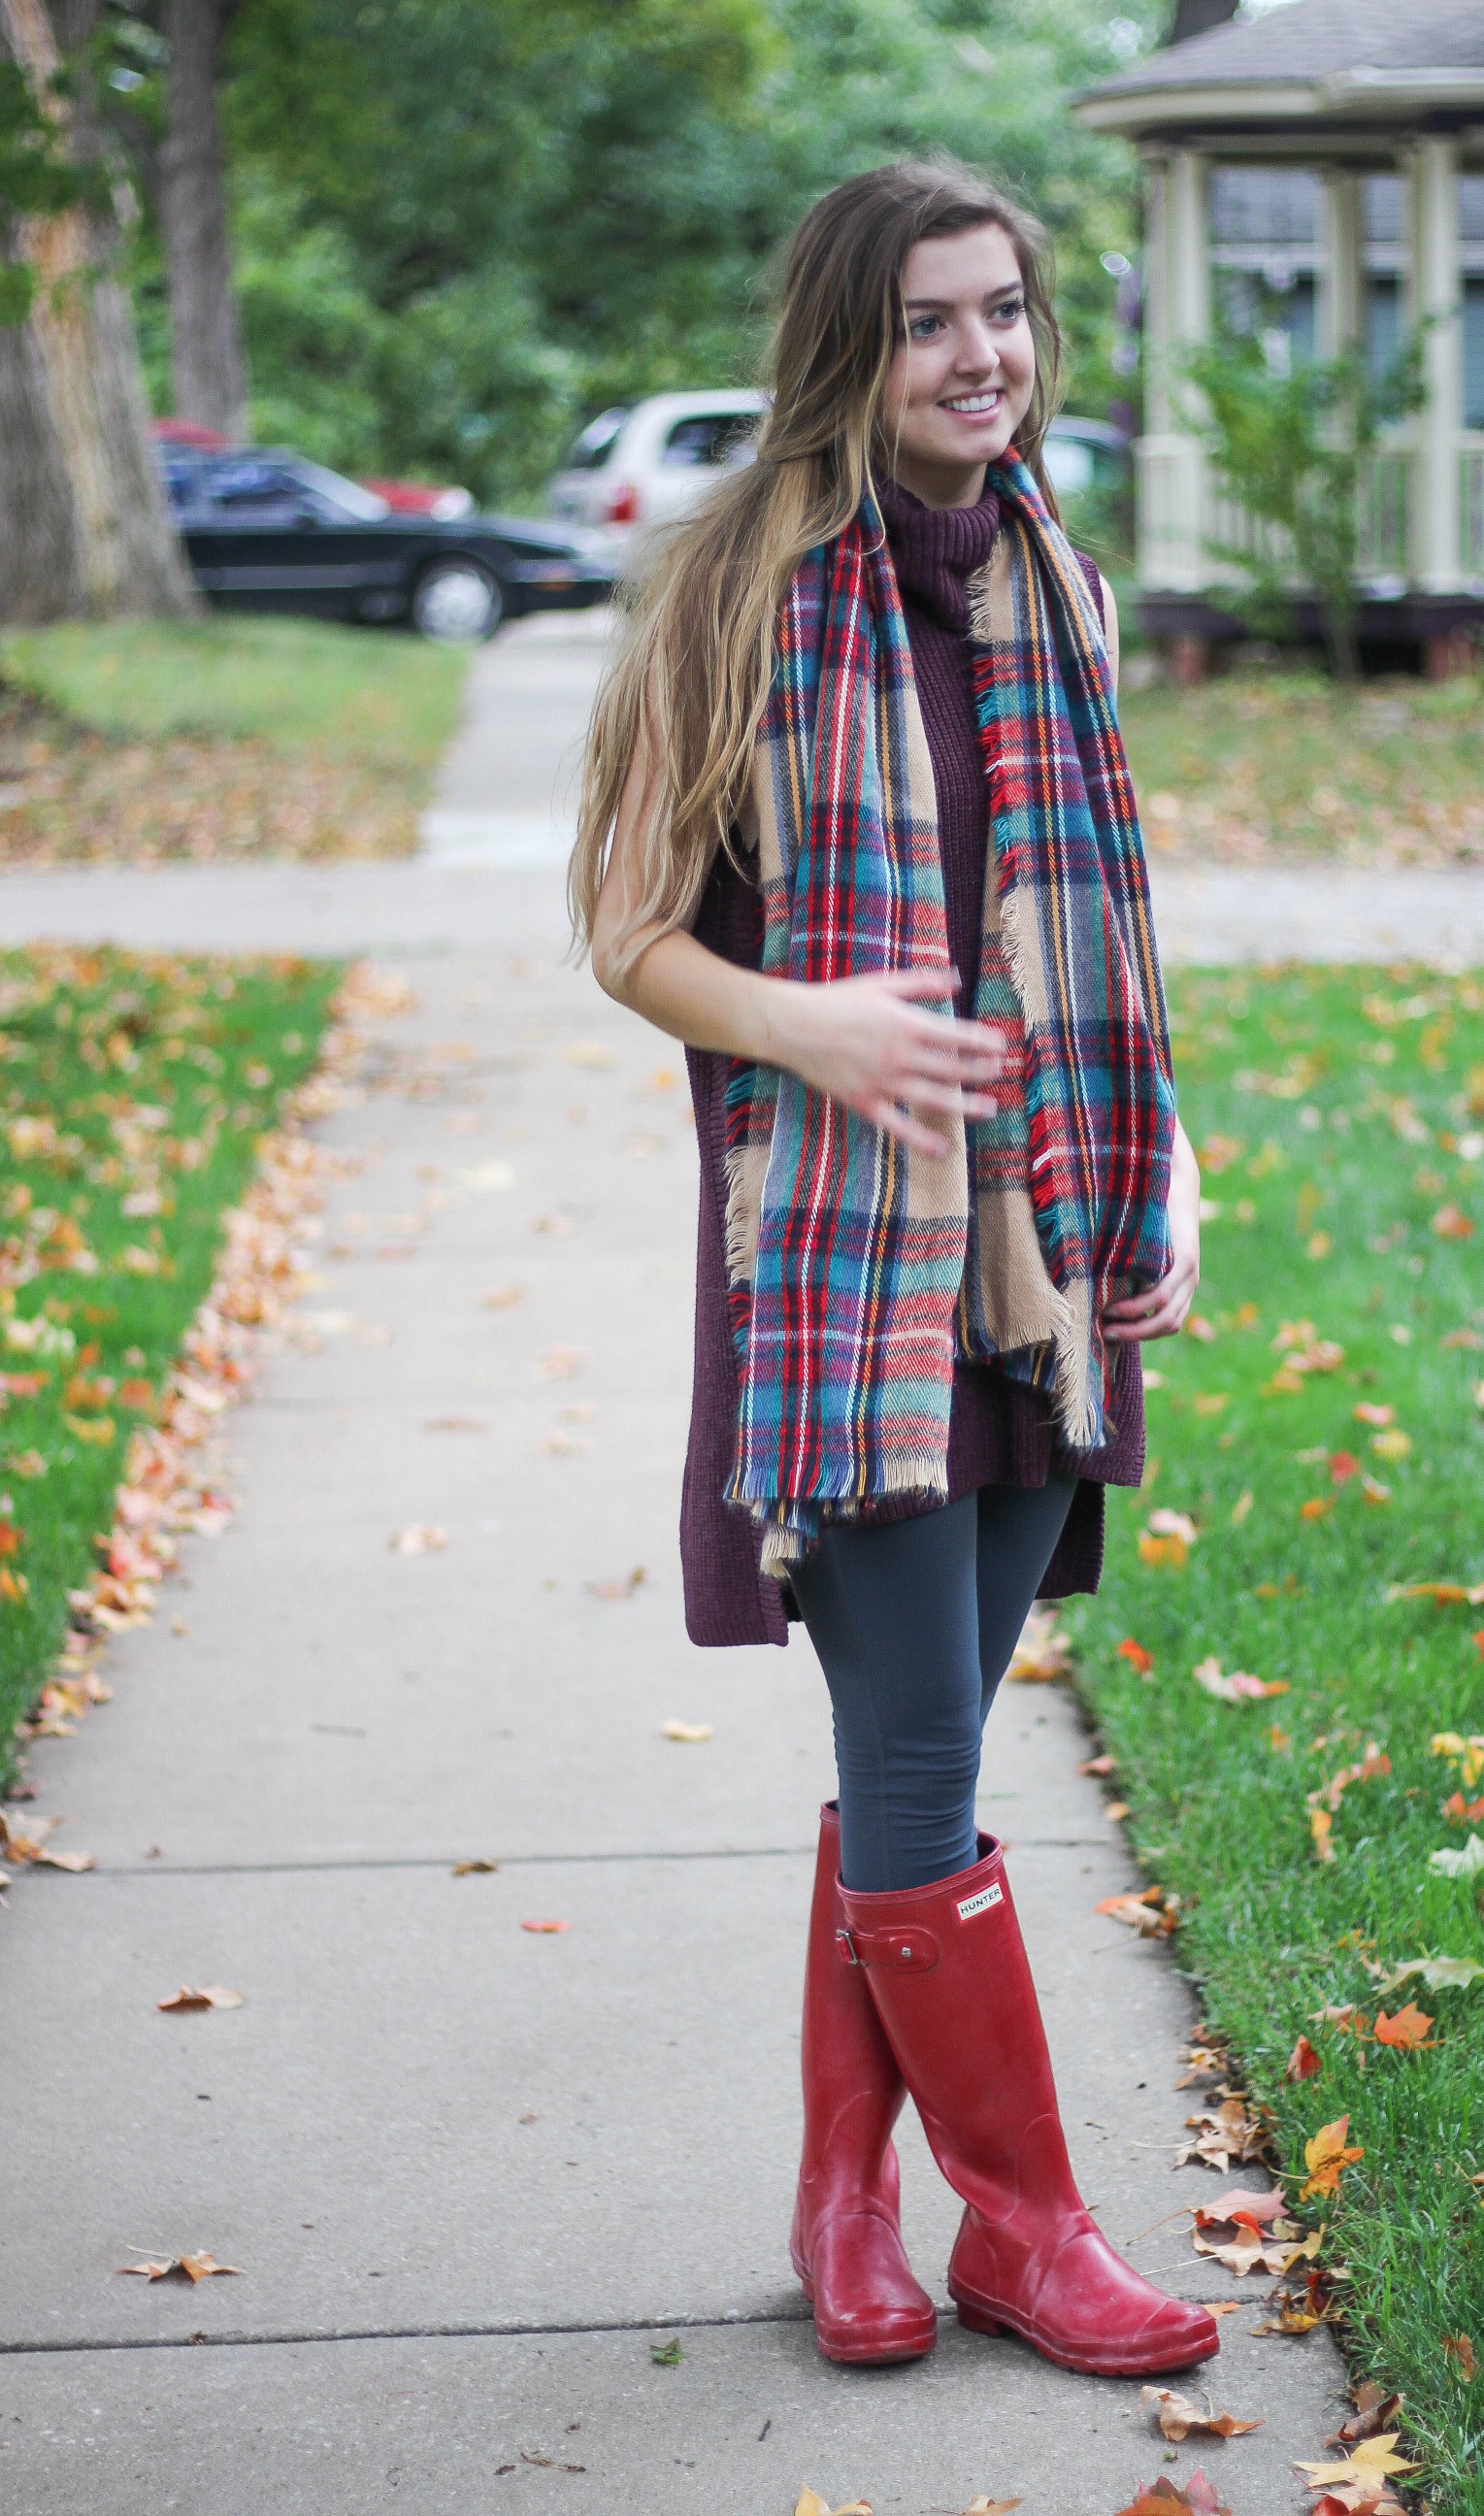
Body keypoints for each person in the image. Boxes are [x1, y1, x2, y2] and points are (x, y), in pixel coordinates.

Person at [571, 157, 1214, 2383]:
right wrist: (813, 1024)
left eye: (1011, 311)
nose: (987, 356)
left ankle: (849, 2201)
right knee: (927, 1757)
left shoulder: (1059, 582)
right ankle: (1028, 2230)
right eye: (938, 319)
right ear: (853, 341)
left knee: (908, 1740)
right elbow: (630, 929)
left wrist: (1177, 1166)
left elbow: (1110, 931)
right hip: (844, 1263)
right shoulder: (732, 591)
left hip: (1056, 1228)